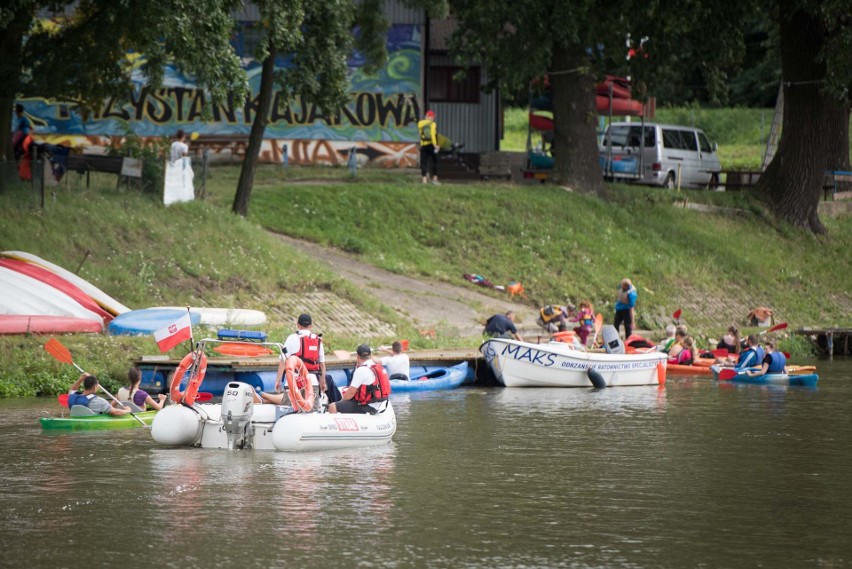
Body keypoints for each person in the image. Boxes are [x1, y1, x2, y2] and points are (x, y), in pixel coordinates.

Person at [260, 313, 327, 405]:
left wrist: (278, 380)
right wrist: (323, 382)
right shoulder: (317, 340)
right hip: (312, 382)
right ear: (311, 326)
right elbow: (322, 365)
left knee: (289, 412)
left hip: (293, 382)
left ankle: (262, 396)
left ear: (298, 325)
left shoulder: (292, 338)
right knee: (311, 414)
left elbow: (283, 361)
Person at [328, 345, 390, 414]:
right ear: (370, 356)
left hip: (366, 407)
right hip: (378, 405)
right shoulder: (377, 367)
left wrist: (340, 402)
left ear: (357, 356)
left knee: (332, 406)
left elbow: (351, 393)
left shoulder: (361, 370)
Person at [67, 373, 132, 416]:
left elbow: (72, 390)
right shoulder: (99, 401)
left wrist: (81, 378)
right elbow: (116, 412)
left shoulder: (72, 397)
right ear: (95, 387)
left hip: (76, 421)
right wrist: (127, 410)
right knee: (104, 412)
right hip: (92, 427)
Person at [417, 110, 439, 185]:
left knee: (424, 162)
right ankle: (435, 179)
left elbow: (420, 132)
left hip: (423, 145)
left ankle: (424, 180)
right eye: (432, 117)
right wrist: (435, 145)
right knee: (435, 161)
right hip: (431, 145)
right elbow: (433, 135)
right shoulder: (433, 124)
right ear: (432, 117)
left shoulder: (420, 123)